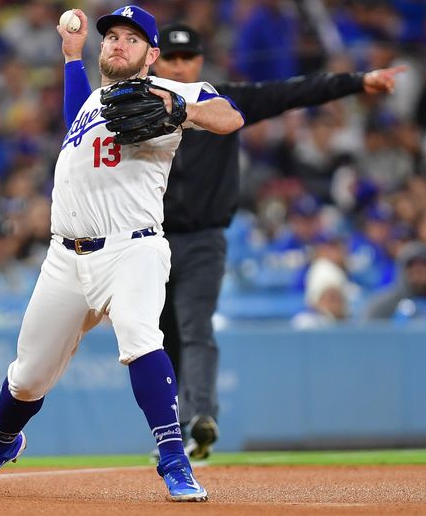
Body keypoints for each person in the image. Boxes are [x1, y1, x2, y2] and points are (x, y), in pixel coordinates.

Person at [0, 5, 244, 502]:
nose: (117, 44)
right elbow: (74, 126)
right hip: (65, 259)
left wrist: (182, 111)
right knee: (27, 378)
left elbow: (230, 117)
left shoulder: (173, 91)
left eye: (132, 38)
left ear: (152, 54)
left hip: (133, 249)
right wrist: (70, 58)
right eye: (111, 37)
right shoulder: (93, 103)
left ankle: (175, 461)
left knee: (140, 337)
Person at [151, 23, 405, 459]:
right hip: (150, 241)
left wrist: (356, 81)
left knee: (195, 329)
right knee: (161, 340)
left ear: (198, 61)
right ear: (157, 60)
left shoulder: (224, 99)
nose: (179, 66)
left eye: (187, 57)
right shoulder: (135, 105)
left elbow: (293, 92)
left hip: (204, 239)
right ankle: (170, 433)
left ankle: (199, 420)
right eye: (171, 58)